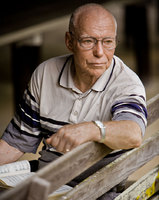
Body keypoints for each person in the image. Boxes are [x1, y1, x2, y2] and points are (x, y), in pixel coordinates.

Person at [0, 3, 147, 199]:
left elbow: (133, 133)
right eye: (88, 41)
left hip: (99, 188)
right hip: (49, 183)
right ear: (69, 41)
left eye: (108, 42)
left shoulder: (126, 83)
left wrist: (91, 129)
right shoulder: (45, 74)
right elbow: (17, 141)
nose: (100, 53)